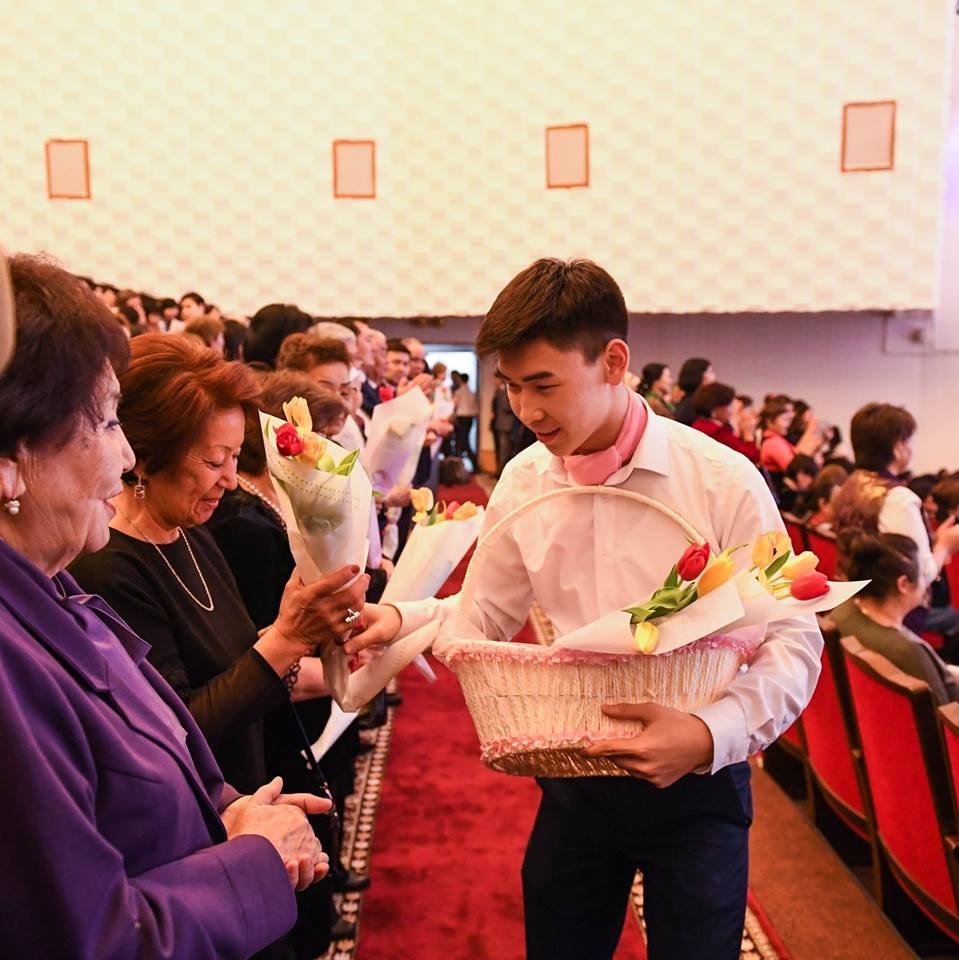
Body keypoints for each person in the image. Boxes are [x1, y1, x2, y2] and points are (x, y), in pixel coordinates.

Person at [349, 258, 821, 960]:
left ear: (613, 362)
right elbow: (482, 617)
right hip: (573, 774)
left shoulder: (720, 479)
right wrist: (401, 621)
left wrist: (708, 733)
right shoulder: (524, 479)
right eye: (511, 387)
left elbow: (792, 637)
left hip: (699, 783)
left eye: (544, 385)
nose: (526, 411)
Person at [0, 254, 330, 958]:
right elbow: (94, 936)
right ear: (10, 460)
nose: (125, 458)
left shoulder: (62, 592)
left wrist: (229, 813)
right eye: (104, 423)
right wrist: (252, 858)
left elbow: (158, 762)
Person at [69, 334, 369, 796]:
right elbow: (178, 727)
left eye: (234, 457)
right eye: (213, 461)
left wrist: (309, 628)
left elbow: (233, 660)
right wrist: (289, 637)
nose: (229, 480)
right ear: (144, 456)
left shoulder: (189, 531)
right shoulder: (109, 567)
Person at [832, 532, 959, 705]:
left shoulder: (842, 612)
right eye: (922, 574)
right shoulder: (908, 652)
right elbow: (947, 713)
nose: (926, 582)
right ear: (903, 584)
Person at [689, 381, 758, 463]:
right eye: (730, 405)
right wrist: (748, 435)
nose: (732, 410)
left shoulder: (699, 424)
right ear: (715, 408)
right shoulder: (717, 432)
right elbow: (748, 459)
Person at [672, 357, 714, 426]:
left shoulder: (690, 400)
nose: (714, 376)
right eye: (710, 372)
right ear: (699, 374)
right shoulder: (693, 403)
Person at [491, 371, 519, 474]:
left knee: (505, 450)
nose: (494, 381)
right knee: (503, 449)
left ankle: (502, 473)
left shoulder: (504, 390)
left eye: (495, 379)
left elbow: (506, 406)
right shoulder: (499, 390)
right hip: (501, 424)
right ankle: (500, 471)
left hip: (506, 424)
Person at [452, 371, 478, 470]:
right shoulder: (472, 392)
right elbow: (475, 407)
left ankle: (472, 464)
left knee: (463, 441)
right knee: (463, 440)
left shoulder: (458, 392)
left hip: (461, 418)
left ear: (460, 380)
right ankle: (462, 465)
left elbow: (454, 406)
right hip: (470, 418)